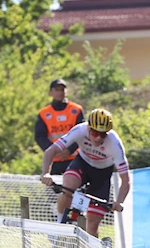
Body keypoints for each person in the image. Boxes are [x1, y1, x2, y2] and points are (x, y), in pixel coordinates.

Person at [40, 108, 130, 238]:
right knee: (68, 184)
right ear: (88, 128)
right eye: (95, 133)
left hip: (102, 175)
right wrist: (45, 173)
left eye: (103, 134)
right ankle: (60, 224)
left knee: (92, 226)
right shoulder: (80, 130)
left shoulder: (114, 143)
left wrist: (119, 201)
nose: (99, 138)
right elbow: (50, 151)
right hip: (82, 164)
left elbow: (126, 180)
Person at [35, 78, 85, 176]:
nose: (60, 92)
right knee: (53, 190)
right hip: (54, 160)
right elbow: (40, 136)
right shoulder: (44, 113)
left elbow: (82, 133)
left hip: (74, 158)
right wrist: (53, 151)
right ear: (50, 92)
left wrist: (69, 150)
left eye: (62, 90)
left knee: (76, 188)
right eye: (57, 90)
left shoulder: (76, 110)